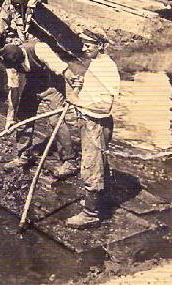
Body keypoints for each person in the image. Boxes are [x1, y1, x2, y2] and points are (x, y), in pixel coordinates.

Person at [65, 29, 120, 229]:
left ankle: (91, 214)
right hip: (90, 120)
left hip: (96, 122)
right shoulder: (96, 63)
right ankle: (101, 201)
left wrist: (78, 101)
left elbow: (105, 105)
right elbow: (96, 90)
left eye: (88, 45)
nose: (84, 48)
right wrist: (82, 84)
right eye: (83, 44)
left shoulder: (107, 67)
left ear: (100, 45)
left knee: (91, 165)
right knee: (97, 161)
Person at [0, 41, 78, 175]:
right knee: (23, 118)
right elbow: (14, 91)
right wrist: (10, 118)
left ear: (21, 59)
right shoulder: (10, 63)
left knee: (56, 120)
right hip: (33, 84)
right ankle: (23, 156)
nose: (16, 70)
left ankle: (69, 161)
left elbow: (64, 70)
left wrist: (74, 93)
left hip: (52, 84)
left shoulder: (40, 49)